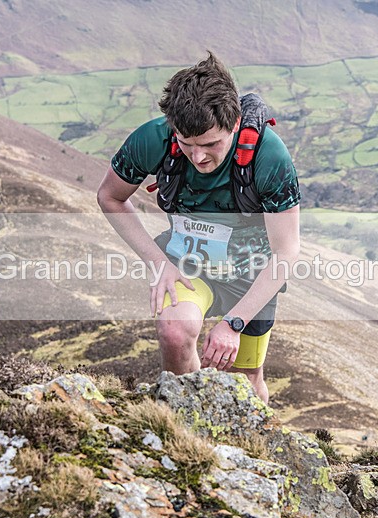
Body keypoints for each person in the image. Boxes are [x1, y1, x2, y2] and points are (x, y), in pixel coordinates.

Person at [97, 52, 300, 403]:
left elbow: (287, 251)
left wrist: (233, 324)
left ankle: (247, 449)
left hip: (251, 274)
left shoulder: (269, 156)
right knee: (174, 333)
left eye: (210, 144)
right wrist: (158, 262)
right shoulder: (154, 139)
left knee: (248, 382)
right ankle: (186, 429)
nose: (198, 157)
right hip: (187, 264)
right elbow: (110, 197)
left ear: (234, 123)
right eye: (186, 144)